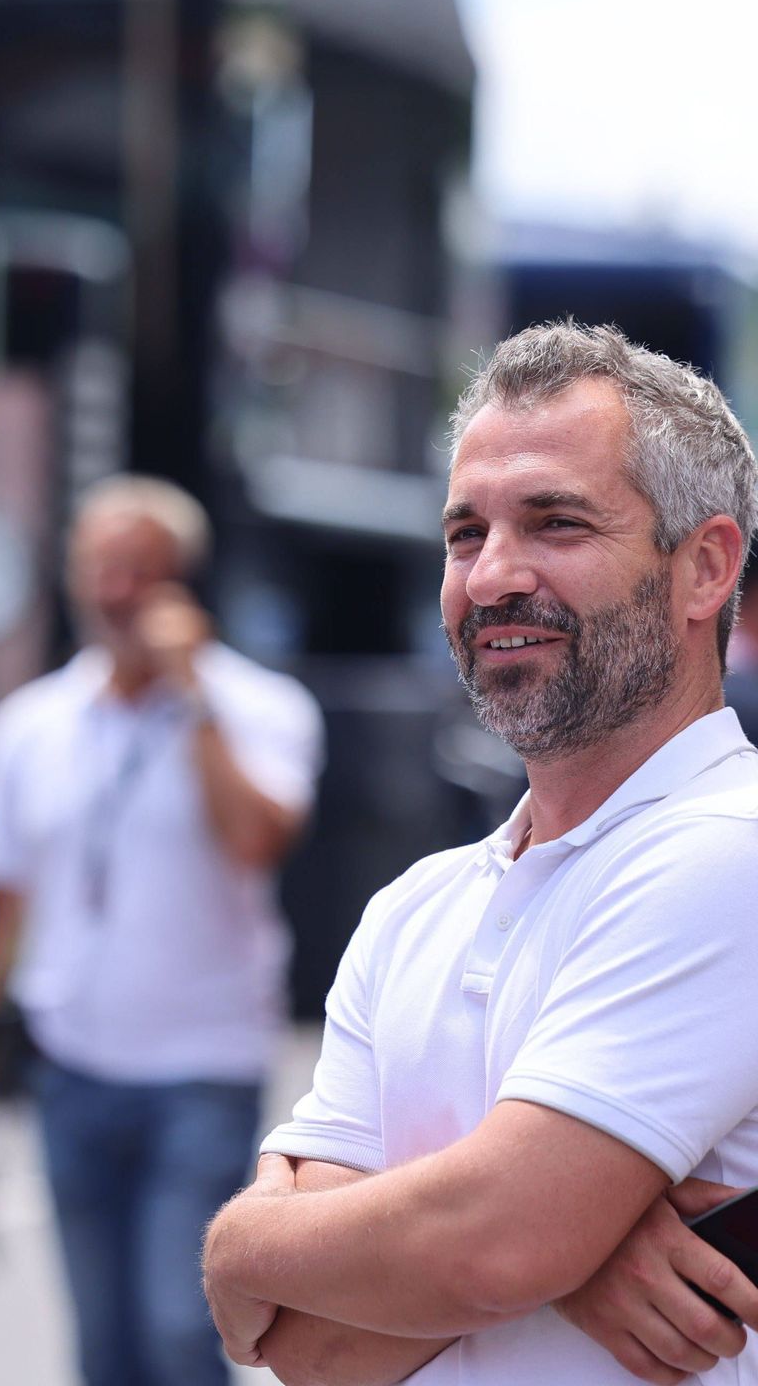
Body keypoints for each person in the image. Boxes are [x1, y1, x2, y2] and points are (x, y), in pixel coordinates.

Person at [203, 321, 758, 1386]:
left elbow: (495, 1245)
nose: (495, 574)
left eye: (555, 522)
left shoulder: (726, 856)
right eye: (465, 534)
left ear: (705, 568)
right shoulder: (414, 906)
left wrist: (244, 1240)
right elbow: (305, 1345)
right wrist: (554, 1252)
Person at [0, 475, 324, 1386]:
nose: (117, 591)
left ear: (184, 583)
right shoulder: (30, 724)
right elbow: (5, 900)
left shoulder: (258, 708)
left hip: (201, 1071)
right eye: (100, 568)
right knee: (104, 1344)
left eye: (141, 570)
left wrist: (191, 695)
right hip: (74, 1069)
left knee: (180, 1328)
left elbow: (256, 840)